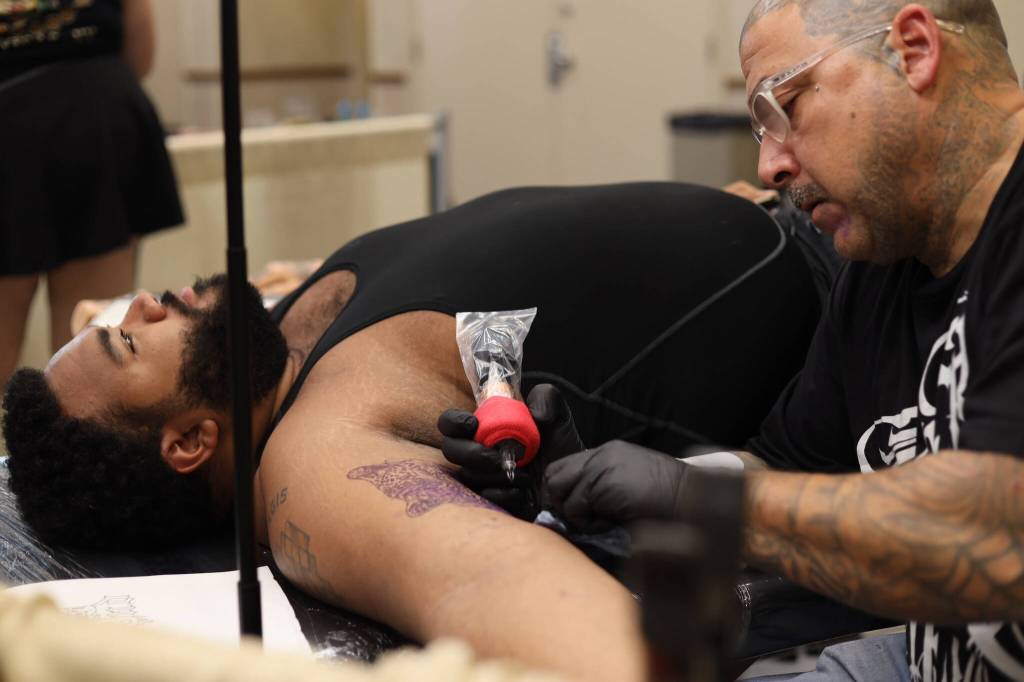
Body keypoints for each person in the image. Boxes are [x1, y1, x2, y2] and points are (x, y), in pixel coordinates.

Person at [2, 182, 828, 681]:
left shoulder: (272, 347)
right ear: (188, 442)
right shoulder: (317, 467)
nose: (144, 302)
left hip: (799, 210)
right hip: (847, 302)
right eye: (129, 338)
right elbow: (518, 604)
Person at [443, 2, 1024, 681]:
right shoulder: (881, 276)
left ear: (915, 50)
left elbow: (996, 532)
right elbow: (788, 471)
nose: (770, 164)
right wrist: (604, 495)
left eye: (783, 107)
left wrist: (695, 500)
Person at [0, 0, 183, 388]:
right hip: (92, 114)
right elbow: (139, 52)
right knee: (88, 359)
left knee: (88, 351)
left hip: (71, 116)